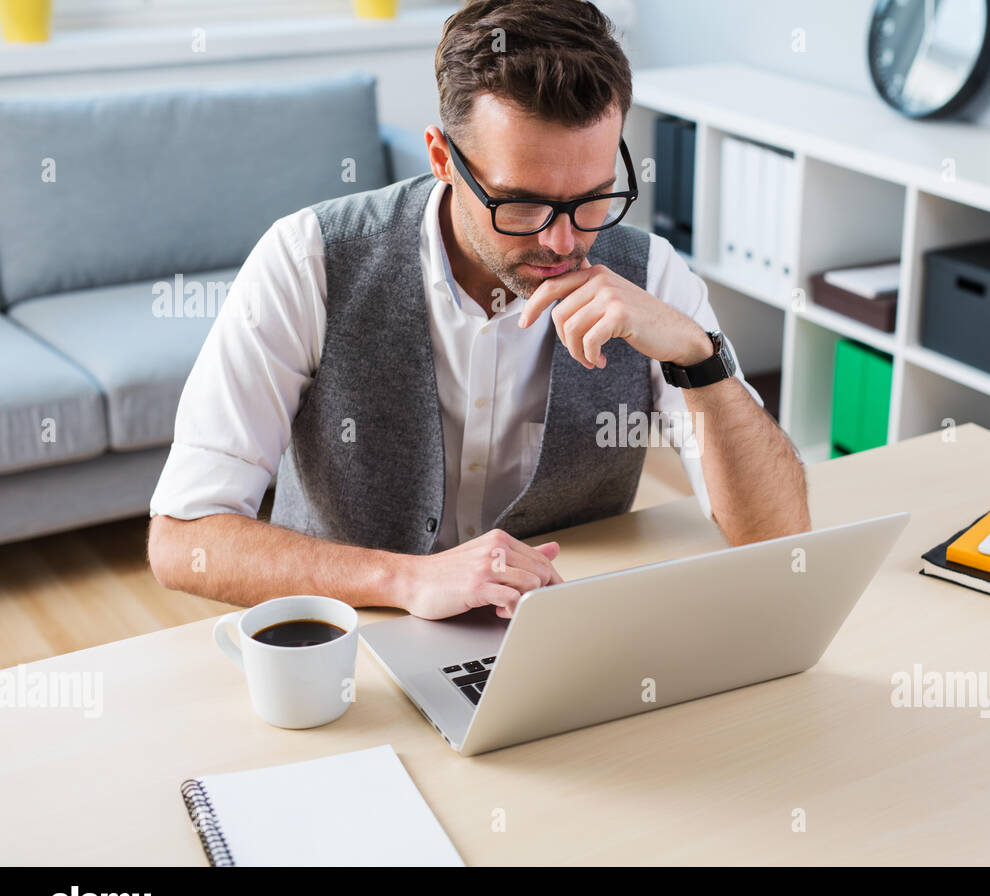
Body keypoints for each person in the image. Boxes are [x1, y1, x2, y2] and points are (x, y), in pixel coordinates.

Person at [147, 0, 809, 621]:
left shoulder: (653, 273)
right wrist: (406, 580)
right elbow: (182, 540)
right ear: (442, 158)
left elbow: (778, 535)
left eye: (593, 198)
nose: (563, 241)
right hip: (360, 643)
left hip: (564, 644)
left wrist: (699, 360)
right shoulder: (308, 261)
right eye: (521, 204)